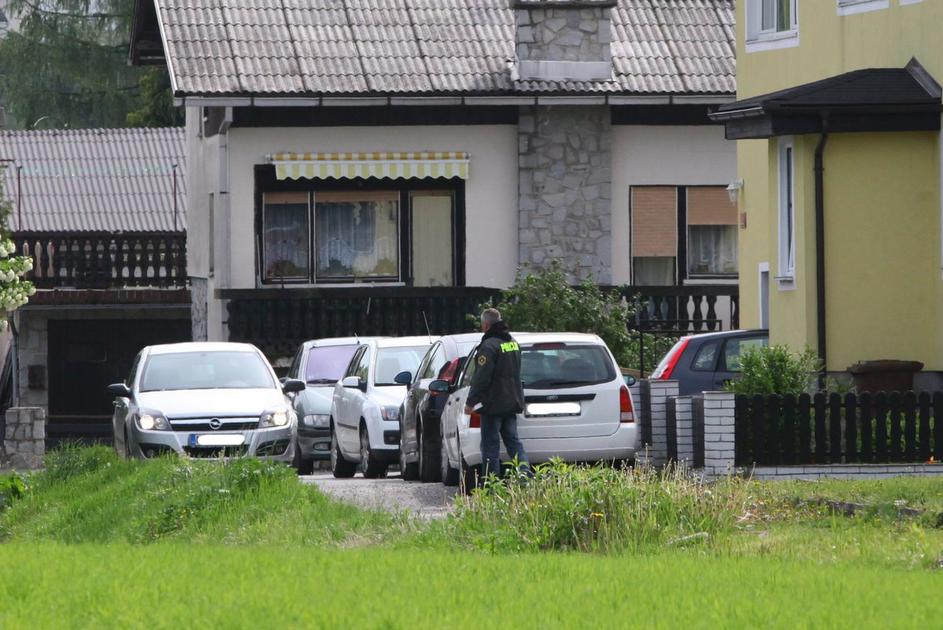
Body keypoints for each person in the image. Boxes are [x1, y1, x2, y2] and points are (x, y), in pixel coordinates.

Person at [465, 308, 528, 482]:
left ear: (485, 325)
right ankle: (525, 478)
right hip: (512, 402)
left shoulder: (488, 346)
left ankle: (491, 485)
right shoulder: (512, 342)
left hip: (493, 405)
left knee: (490, 447)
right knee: (514, 443)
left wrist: (471, 402)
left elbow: (481, 377)